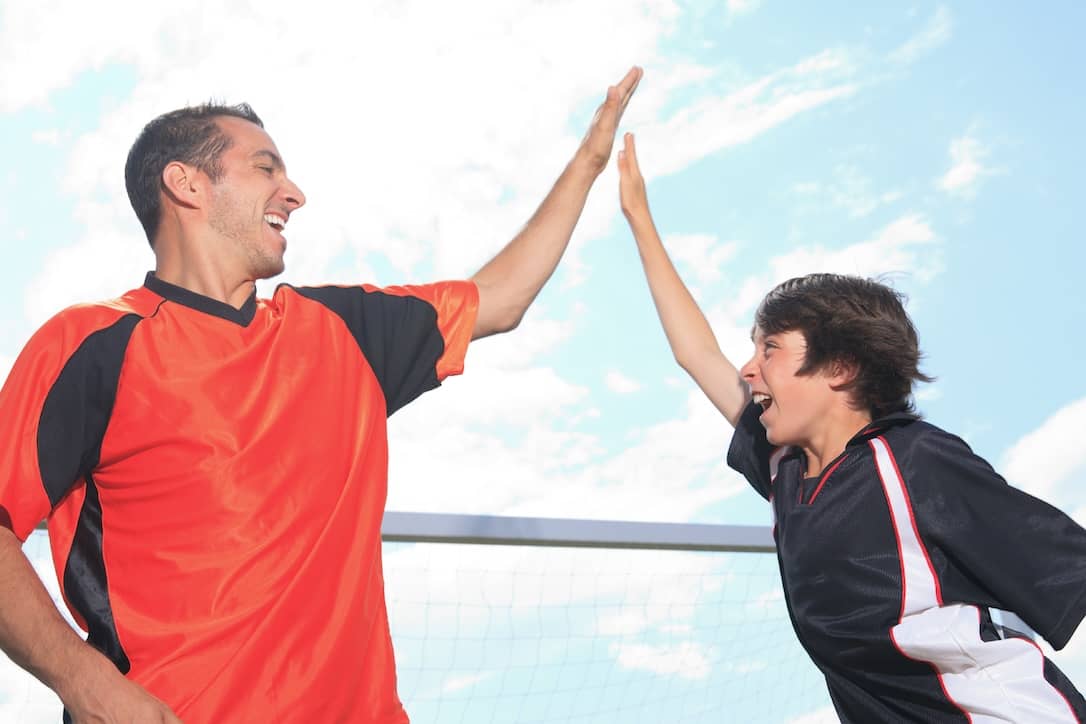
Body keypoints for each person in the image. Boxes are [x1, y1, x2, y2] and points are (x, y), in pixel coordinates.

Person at [0, 67, 641, 723]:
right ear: (186, 183)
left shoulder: (339, 334)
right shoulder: (93, 345)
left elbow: (501, 299)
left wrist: (589, 160)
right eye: (264, 168)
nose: (295, 192)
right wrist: (83, 681)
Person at [616, 131, 1086, 722]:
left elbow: (1070, 568)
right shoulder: (787, 468)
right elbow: (697, 355)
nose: (747, 368)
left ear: (839, 368)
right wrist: (637, 216)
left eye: (770, 348)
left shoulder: (915, 462)